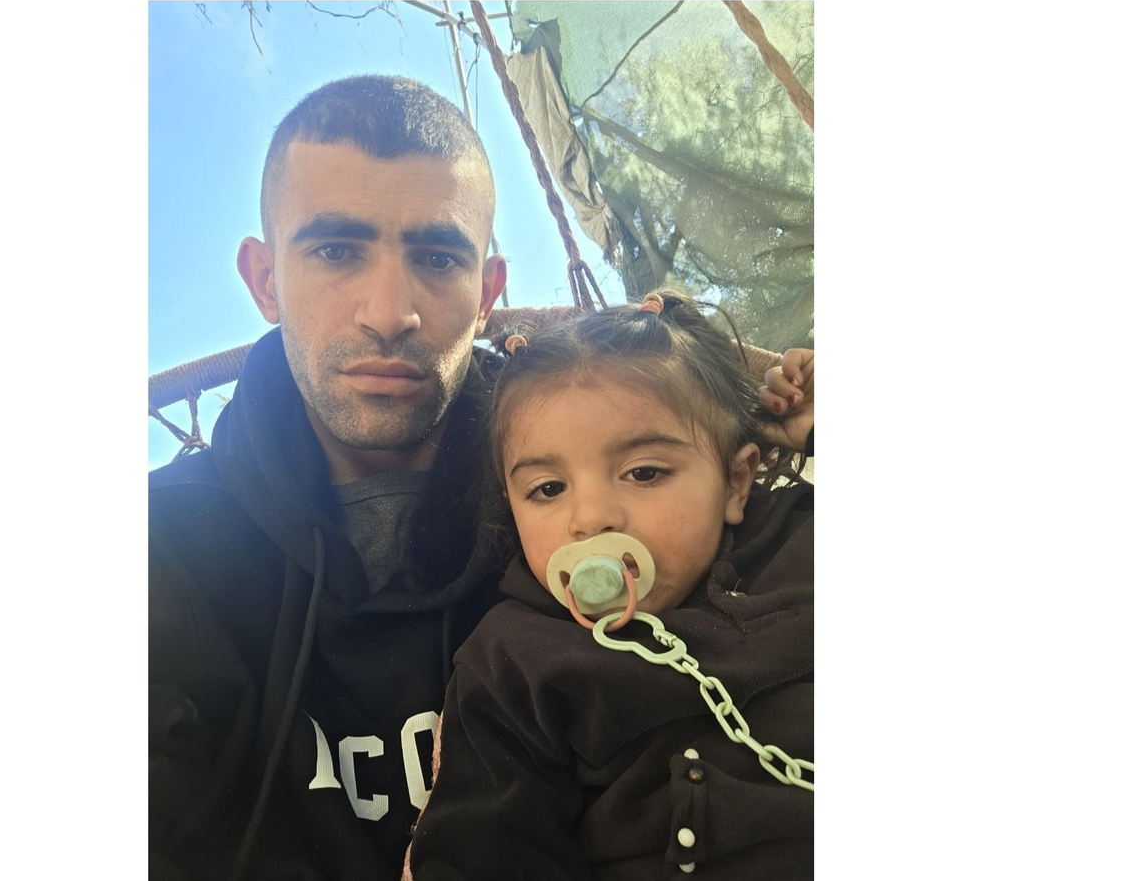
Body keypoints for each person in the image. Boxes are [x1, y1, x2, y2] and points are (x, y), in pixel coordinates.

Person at [149, 74, 802, 880]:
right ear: (264, 280)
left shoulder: (615, 495)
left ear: (488, 291)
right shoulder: (160, 553)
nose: (389, 312)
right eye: (335, 251)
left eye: (437, 257)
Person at [404, 290, 813, 880]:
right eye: (548, 489)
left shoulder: (799, 547)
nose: (591, 518)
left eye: (644, 473)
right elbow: (482, 847)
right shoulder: (512, 661)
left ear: (735, 482)